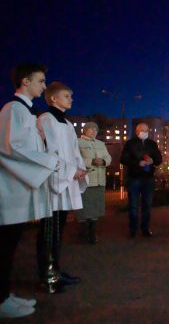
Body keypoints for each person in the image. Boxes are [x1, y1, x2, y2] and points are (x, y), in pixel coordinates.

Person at [0, 63, 58, 318]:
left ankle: (5, 295)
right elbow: (12, 148)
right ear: (26, 81)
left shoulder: (24, 112)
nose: (44, 86)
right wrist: (50, 162)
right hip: (10, 192)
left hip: (18, 191)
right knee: (4, 247)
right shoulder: (14, 110)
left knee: (10, 247)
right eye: (41, 80)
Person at [36, 82, 88, 289]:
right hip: (52, 181)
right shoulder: (45, 119)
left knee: (59, 229)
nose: (71, 99)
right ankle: (47, 276)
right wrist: (69, 170)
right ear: (54, 99)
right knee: (49, 231)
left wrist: (79, 169)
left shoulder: (66, 123)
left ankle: (55, 270)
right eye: (67, 96)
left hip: (67, 180)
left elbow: (74, 152)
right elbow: (48, 152)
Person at [120, 122, 162, 238]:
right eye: (143, 130)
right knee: (133, 205)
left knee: (147, 205)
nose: (145, 133)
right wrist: (138, 163)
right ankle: (133, 229)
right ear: (137, 132)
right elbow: (123, 159)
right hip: (134, 178)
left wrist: (152, 160)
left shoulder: (152, 144)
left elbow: (159, 159)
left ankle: (145, 228)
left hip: (148, 178)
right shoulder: (130, 144)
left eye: (147, 130)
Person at [76, 122, 111, 244]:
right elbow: (75, 158)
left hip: (99, 180)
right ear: (85, 130)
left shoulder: (101, 144)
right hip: (86, 180)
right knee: (85, 206)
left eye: (95, 130)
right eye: (91, 129)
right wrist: (91, 161)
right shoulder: (78, 142)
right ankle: (84, 232)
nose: (93, 132)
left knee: (96, 207)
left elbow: (109, 158)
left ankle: (93, 232)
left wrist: (104, 161)